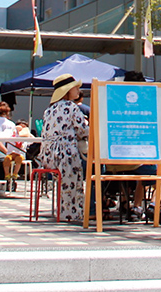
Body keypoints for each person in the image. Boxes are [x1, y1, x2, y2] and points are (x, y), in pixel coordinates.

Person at [39, 73, 90, 222]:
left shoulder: (49, 109)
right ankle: (71, 213)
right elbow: (83, 130)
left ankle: (67, 211)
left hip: (47, 154)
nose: (78, 91)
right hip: (64, 153)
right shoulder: (71, 107)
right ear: (67, 91)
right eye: (75, 88)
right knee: (75, 177)